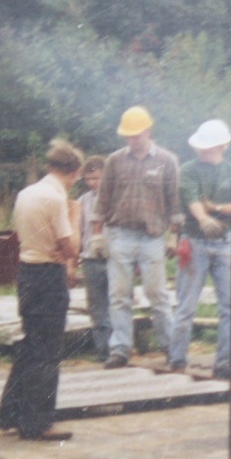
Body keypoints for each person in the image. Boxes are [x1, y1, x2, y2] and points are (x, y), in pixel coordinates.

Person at [0, 138, 85, 439]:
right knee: (48, 351)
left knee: (31, 344)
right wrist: (76, 218)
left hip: (27, 271)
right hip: (48, 275)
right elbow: (70, 247)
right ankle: (38, 422)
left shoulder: (27, 193)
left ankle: (10, 413)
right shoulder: (56, 199)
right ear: (74, 173)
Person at [97, 105, 180, 370]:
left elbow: (174, 202)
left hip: (153, 236)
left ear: (148, 131)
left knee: (157, 294)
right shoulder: (114, 161)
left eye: (136, 135)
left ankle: (171, 347)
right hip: (120, 233)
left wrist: (173, 237)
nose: (132, 140)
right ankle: (120, 349)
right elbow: (103, 199)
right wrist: (97, 236)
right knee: (119, 295)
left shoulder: (167, 161)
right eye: (128, 136)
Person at [170, 118, 231, 378]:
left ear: (222, 146)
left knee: (228, 307)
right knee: (186, 305)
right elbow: (192, 198)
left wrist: (216, 209)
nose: (203, 151)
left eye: (208, 147)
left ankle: (223, 364)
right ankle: (177, 360)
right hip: (195, 241)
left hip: (225, 242)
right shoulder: (188, 169)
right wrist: (204, 218)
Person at [72, 154, 111, 358]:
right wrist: (74, 259)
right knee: (96, 305)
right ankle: (102, 349)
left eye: (97, 178)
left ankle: (119, 347)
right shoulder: (82, 202)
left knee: (117, 301)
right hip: (90, 259)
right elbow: (77, 232)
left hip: (114, 259)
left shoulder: (116, 198)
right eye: (89, 179)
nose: (93, 183)